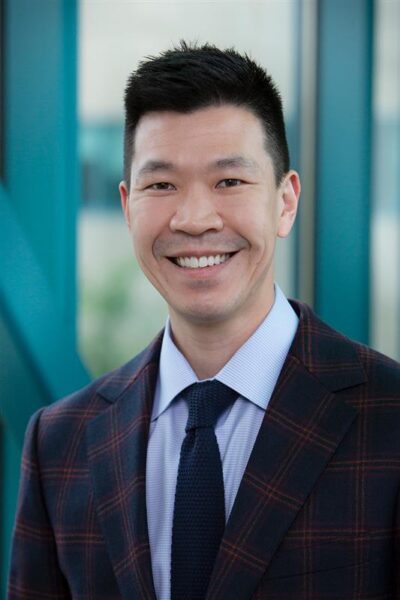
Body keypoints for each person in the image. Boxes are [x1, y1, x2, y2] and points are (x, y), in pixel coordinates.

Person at [8, 42, 400, 600]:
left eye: (229, 182)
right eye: (161, 185)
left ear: (285, 201)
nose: (194, 220)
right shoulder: (58, 442)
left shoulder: (389, 418)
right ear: (127, 206)